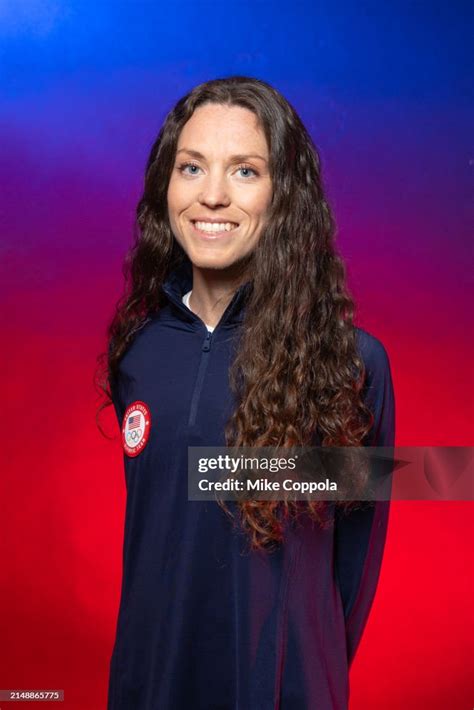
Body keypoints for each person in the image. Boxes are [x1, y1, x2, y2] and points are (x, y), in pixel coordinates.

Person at [97, 76, 395, 710]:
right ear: (165, 185)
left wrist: (305, 675)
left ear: (284, 195)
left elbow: (354, 565)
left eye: (245, 171)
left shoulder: (352, 366)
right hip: (150, 683)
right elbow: (160, 537)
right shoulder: (139, 356)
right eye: (192, 166)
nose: (211, 195)